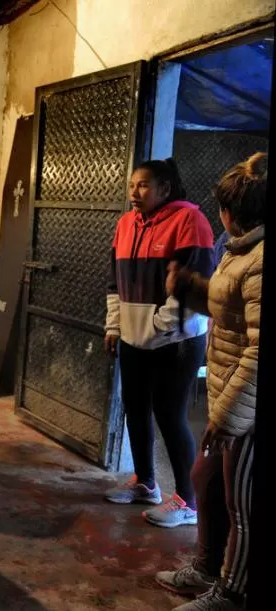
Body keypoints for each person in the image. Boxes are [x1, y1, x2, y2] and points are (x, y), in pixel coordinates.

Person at [154, 153, 265, 611]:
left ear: (230, 213)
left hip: (246, 409)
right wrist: (192, 288)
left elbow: (258, 351)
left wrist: (226, 416)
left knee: (241, 505)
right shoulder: (239, 250)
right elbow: (230, 311)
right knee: (206, 481)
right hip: (230, 396)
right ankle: (205, 566)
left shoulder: (259, 260)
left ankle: (231, 593)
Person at [103, 158, 215, 528]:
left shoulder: (189, 222)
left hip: (176, 341)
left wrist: (156, 327)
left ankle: (186, 500)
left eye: (144, 185)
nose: (135, 192)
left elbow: (189, 287)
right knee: (135, 409)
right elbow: (114, 281)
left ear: (165, 189)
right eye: (132, 185)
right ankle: (146, 484)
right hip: (136, 337)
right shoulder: (125, 224)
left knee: (170, 415)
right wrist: (115, 326)